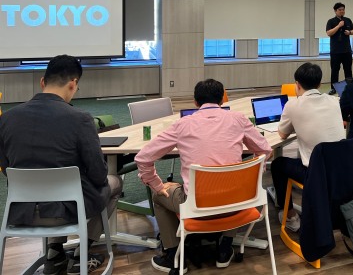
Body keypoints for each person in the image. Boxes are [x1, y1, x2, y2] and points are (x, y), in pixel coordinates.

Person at [0, 55, 122, 275]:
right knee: (114, 183)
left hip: (21, 212)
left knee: (56, 189)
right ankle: (81, 253)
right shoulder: (80, 119)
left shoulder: (6, 119)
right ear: (73, 84)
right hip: (66, 212)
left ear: (42, 82)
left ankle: (54, 253)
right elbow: (98, 174)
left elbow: (6, 168)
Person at [135, 79, 271, 272]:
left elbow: (143, 158)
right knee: (234, 189)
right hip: (238, 202)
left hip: (196, 205)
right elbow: (265, 150)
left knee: (158, 196)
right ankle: (225, 248)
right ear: (222, 100)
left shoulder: (182, 125)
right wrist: (252, 176)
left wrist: (157, 184)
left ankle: (173, 256)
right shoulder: (239, 119)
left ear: (195, 102)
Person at [271, 63, 345, 233]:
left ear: (297, 84)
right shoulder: (334, 101)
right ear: (319, 84)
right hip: (340, 169)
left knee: (277, 164)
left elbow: (282, 134)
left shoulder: (293, 105)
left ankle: (290, 216)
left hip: (316, 174)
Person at [326, 2, 353, 95]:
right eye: (340, 10)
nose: (342, 11)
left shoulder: (348, 20)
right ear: (335, 11)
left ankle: (349, 88)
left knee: (348, 70)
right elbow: (328, 33)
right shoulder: (331, 21)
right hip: (335, 51)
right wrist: (339, 26)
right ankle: (333, 89)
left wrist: (349, 32)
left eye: (343, 9)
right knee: (335, 71)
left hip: (347, 50)